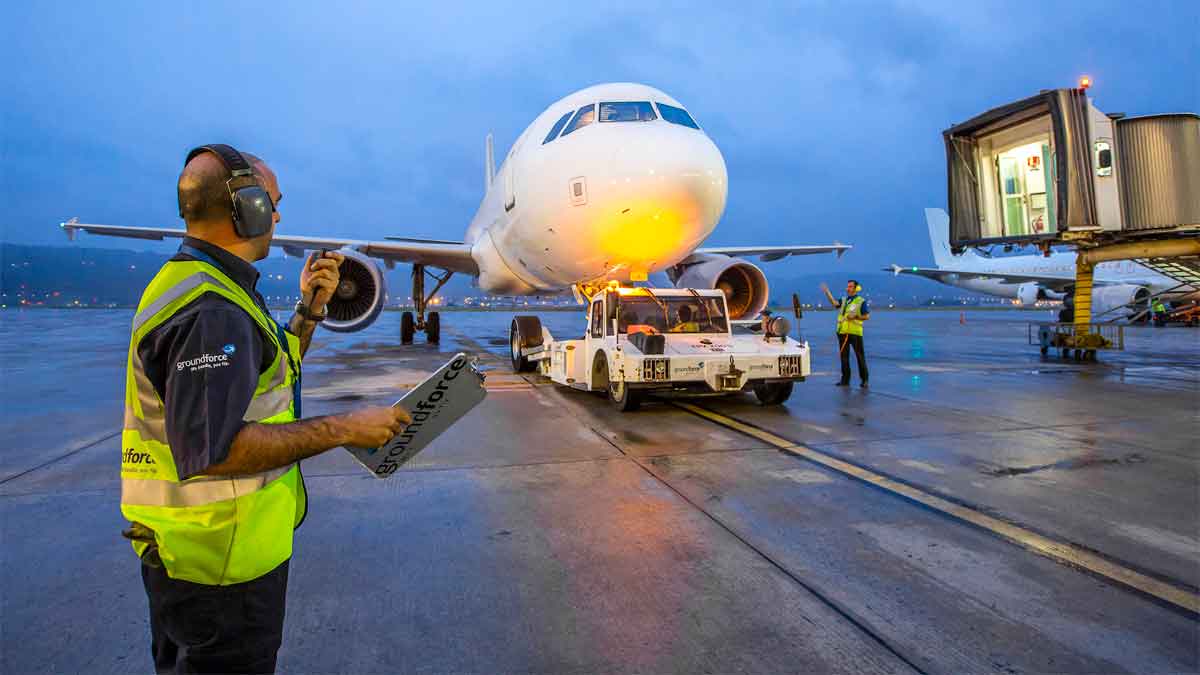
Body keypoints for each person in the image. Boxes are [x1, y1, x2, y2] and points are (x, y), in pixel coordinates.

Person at [123, 144, 412, 674]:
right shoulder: (212, 310)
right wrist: (345, 427)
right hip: (219, 568)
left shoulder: (207, 287)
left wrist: (309, 311)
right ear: (247, 208)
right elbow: (215, 449)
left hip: (201, 556)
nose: (278, 217)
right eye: (273, 204)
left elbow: (261, 376)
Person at [821, 279, 870, 387]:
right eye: (847, 286)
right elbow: (834, 303)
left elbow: (866, 316)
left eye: (850, 286)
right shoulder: (844, 300)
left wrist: (856, 316)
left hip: (855, 333)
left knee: (860, 357)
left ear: (856, 288)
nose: (848, 288)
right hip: (842, 332)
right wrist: (827, 292)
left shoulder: (860, 301)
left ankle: (865, 380)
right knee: (844, 357)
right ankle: (845, 380)